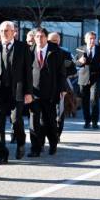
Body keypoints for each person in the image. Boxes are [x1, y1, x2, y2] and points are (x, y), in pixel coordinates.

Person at [0, 21, 33, 164]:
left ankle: (21, 142)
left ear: (14, 32)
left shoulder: (23, 47)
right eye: (2, 30)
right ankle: (3, 154)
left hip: (17, 91)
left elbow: (28, 72)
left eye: (7, 30)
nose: (4, 33)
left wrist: (28, 92)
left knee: (15, 120)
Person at [29, 28, 68, 156]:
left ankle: (53, 143)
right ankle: (36, 148)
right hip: (34, 92)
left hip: (50, 92)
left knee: (49, 121)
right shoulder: (30, 51)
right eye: (37, 37)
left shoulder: (56, 52)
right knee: (34, 121)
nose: (39, 39)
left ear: (46, 38)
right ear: (34, 38)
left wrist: (62, 89)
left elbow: (61, 73)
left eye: (42, 37)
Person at [76, 31, 100, 129]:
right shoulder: (80, 49)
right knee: (85, 101)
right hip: (83, 77)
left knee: (94, 99)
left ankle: (95, 121)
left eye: (94, 38)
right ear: (85, 40)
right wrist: (80, 62)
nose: (92, 40)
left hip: (95, 78)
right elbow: (76, 63)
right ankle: (87, 121)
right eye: (90, 38)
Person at [48, 32, 77, 140]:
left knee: (59, 112)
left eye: (55, 41)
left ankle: (57, 134)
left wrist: (63, 72)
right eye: (51, 41)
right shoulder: (43, 52)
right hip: (45, 86)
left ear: (59, 41)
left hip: (60, 86)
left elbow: (73, 70)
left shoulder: (65, 54)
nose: (53, 43)